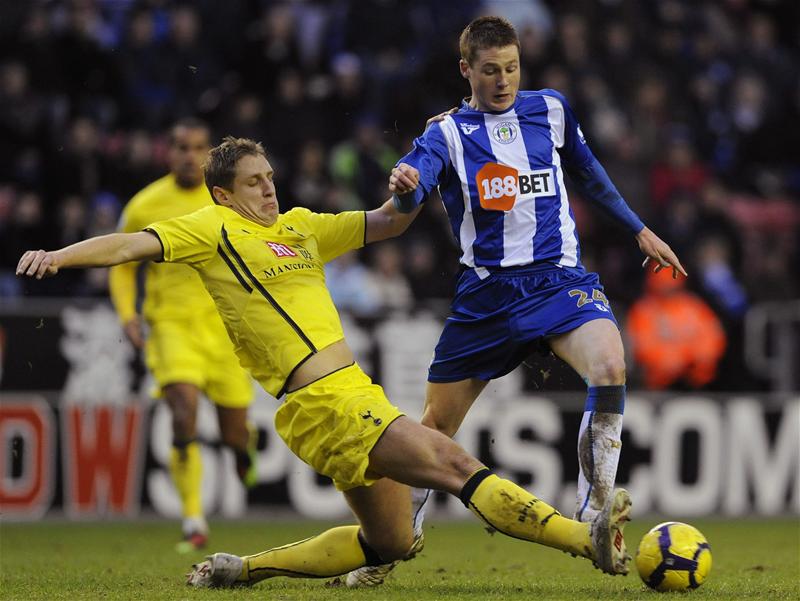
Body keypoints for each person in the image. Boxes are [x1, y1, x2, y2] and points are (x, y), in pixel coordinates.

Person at [17, 136, 632, 590]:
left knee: (391, 541)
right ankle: (587, 540)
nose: (268, 187)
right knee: (453, 464)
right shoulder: (212, 228)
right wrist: (57, 255)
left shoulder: (302, 227)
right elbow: (129, 244)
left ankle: (244, 569)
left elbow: (386, 224)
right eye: (254, 181)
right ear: (223, 193)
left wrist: (409, 190)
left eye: (269, 175)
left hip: (343, 398)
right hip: (326, 401)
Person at [345, 15, 686, 586]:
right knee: (433, 431)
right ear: (466, 70)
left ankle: (594, 513)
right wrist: (404, 186)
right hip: (486, 297)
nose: (503, 80)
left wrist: (638, 229)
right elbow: (413, 192)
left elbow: (590, 174)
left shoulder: (550, 109)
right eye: (489, 70)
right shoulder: (446, 133)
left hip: (558, 281)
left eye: (511, 68)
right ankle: (392, 545)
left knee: (610, 364)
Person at [108, 119, 255, 552]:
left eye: (196, 148)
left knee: (234, 437)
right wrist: (126, 313)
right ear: (167, 152)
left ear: (210, 153)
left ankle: (246, 452)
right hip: (171, 326)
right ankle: (193, 518)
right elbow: (120, 260)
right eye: (179, 147)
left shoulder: (228, 199)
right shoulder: (144, 204)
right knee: (183, 409)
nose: (188, 155)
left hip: (226, 330)